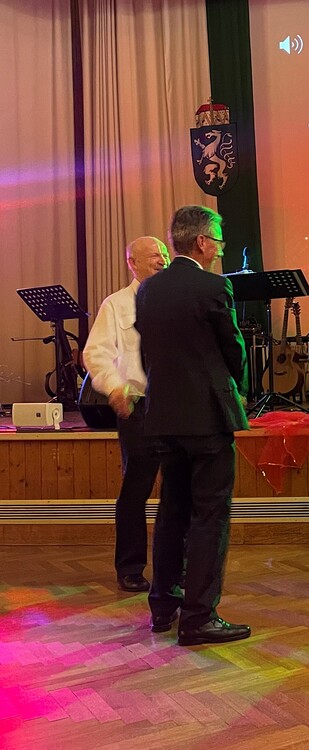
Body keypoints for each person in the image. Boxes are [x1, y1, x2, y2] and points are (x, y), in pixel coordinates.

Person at [135, 205, 252, 644]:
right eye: (218, 240)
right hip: (206, 417)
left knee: (171, 511)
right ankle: (199, 617)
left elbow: (149, 353)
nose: (220, 248)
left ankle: (163, 606)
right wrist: (236, 387)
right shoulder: (214, 286)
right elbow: (233, 348)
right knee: (209, 517)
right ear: (202, 242)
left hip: (163, 416)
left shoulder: (148, 289)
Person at [82, 237, 170, 592]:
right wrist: (115, 387)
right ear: (132, 262)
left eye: (165, 254)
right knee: (136, 489)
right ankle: (130, 567)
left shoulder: (176, 301)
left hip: (177, 406)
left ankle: (175, 567)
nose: (162, 260)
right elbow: (95, 353)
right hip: (137, 406)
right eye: (154, 255)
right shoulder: (116, 304)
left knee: (179, 488)